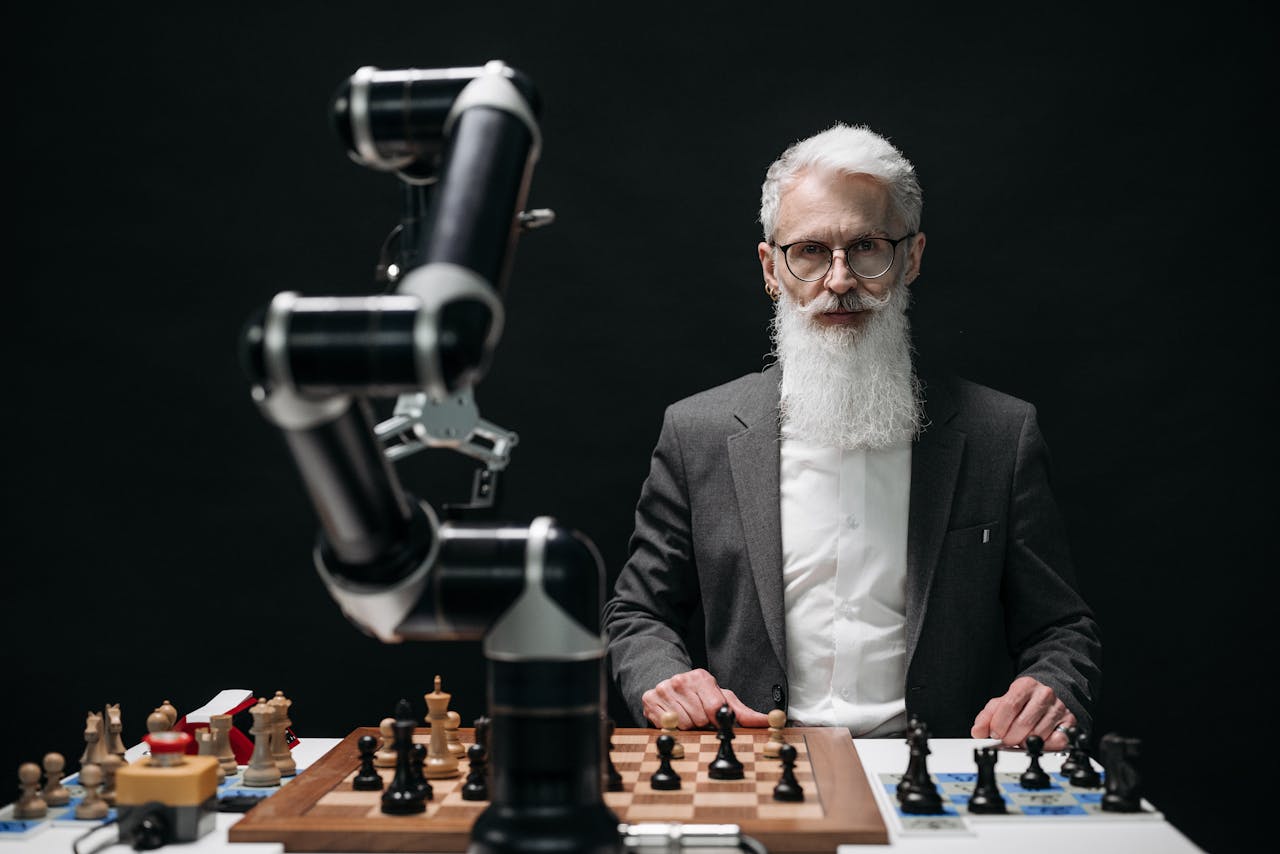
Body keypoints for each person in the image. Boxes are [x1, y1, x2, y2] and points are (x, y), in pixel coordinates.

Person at [601, 123, 1101, 752]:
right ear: (770, 268)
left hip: (934, 773)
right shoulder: (696, 433)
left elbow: (1062, 628)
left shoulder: (1000, 435)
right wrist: (665, 678)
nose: (838, 279)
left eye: (866, 247)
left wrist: (1053, 684)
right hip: (754, 765)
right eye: (809, 251)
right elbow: (637, 614)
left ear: (911, 257)